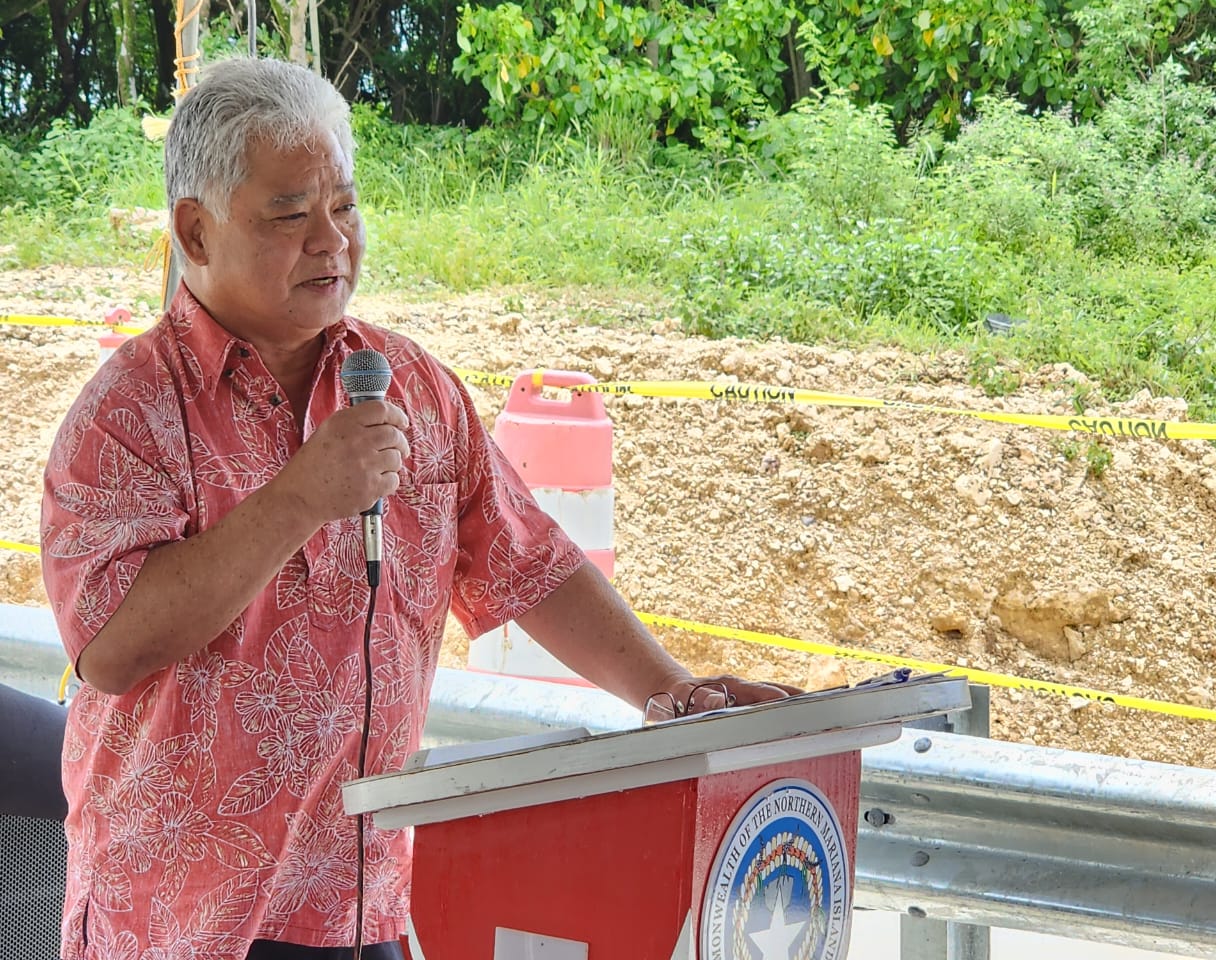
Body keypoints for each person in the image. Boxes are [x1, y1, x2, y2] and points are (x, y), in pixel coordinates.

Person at [40, 56, 799, 960]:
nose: (331, 242)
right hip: (179, 917)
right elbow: (112, 648)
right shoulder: (128, 412)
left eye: (345, 207)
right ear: (195, 233)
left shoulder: (413, 388)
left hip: (359, 906)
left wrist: (668, 691)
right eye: (289, 214)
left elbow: (532, 564)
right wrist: (301, 500)